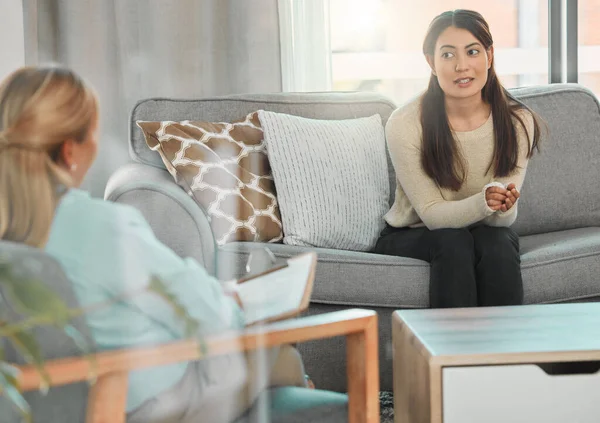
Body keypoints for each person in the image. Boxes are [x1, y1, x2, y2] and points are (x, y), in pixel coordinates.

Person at [0, 66, 344, 422]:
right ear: (70, 151)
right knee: (281, 355)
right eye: (93, 135)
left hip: (49, 405)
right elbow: (206, 315)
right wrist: (233, 303)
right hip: (143, 402)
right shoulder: (101, 227)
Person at [375, 10, 542, 308]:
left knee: (499, 244)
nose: (462, 66)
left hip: (483, 230)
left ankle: (505, 352)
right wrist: (484, 201)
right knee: (454, 241)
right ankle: (455, 353)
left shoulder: (518, 122)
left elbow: (502, 220)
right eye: (448, 54)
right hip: (414, 233)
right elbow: (431, 213)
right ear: (431, 62)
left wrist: (502, 207)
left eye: (473, 51)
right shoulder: (405, 123)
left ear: (489, 56)